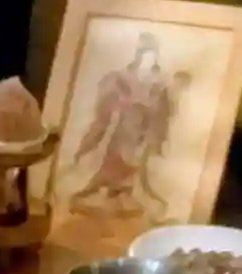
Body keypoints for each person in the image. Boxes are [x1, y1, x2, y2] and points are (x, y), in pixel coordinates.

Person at [63, 34, 176, 218]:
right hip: (120, 130)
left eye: (151, 54)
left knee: (133, 164)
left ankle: (122, 193)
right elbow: (103, 113)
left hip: (140, 133)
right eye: (143, 53)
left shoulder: (159, 84)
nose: (147, 59)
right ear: (138, 54)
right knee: (113, 160)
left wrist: (150, 134)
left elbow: (161, 115)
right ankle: (101, 191)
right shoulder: (120, 78)